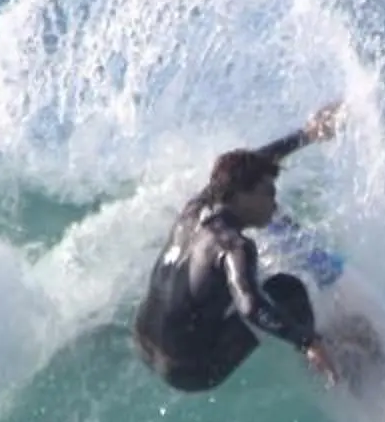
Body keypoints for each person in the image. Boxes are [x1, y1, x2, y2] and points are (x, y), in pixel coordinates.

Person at [132, 102, 344, 393]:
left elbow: (243, 169)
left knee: (218, 287)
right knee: (286, 290)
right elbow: (250, 305)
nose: (274, 202)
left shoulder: (192, 211)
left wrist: (306, 135)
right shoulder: (233, 246)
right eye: (268, 193)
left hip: (143, 342)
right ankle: (331, 359)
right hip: (190, 370)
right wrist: (307, 341)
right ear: (241, 195)